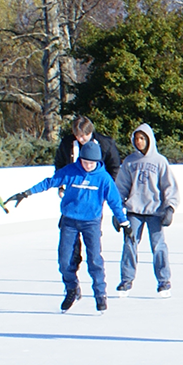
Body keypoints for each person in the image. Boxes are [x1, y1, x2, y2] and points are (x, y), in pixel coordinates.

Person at [9, 140, 129, 312]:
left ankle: (100, 293)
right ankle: (72, 289)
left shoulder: (104, 178)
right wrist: (26, 193)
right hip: (69, 220)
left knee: (94, 259)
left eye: (92, 163)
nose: (88, 166)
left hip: (91, 222)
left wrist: (123, 221)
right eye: (85, 162)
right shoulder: (71, 171)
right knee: (64, 260)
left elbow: (114, 201)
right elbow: (49, 182)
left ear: (98, 162)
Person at [115, 124, 180, 297]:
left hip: (155, 211)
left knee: (158, 246)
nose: (139, 142)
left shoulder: (159, 161)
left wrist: (170, 208)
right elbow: (121, 187)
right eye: (137, 138)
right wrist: (118, 210)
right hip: (134, 210)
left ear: (149, 139)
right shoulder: (129, 162)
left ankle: (164, 280)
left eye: (142, 138)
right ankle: (126, 279)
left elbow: (169, 186)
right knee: (130, 244)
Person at [53, 116, 123, 276]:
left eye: (83, 135)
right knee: (68, 238)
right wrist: (61, 185)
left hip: (94, 198)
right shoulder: (67, 143)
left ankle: (96, 275)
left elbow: (114, 166)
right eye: (77, 136)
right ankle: (71, 275)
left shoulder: (105, 144)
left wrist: (106, 188)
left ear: (90, 132)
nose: (80, 139)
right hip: (73, 196)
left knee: (92, 234)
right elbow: (60, 165)